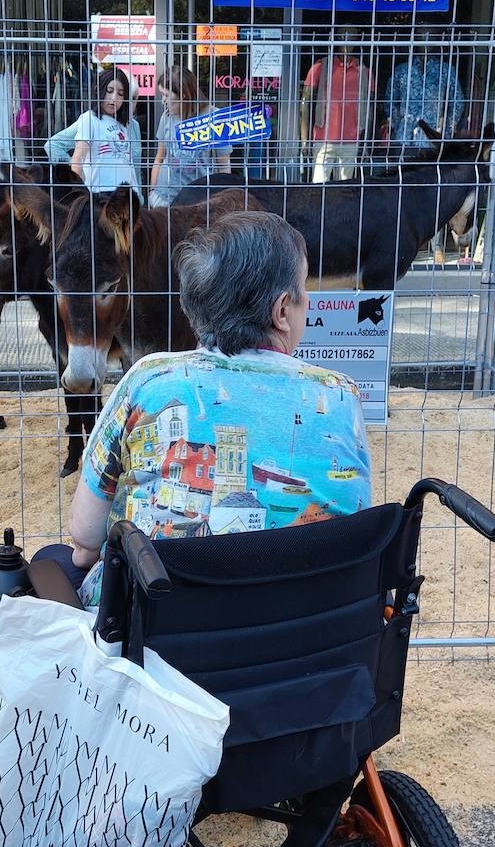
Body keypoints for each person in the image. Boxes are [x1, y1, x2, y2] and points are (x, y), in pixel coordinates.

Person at [32, 211, 373, 606]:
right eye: (303, 287)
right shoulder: (341, 395)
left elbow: (85, 536)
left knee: (52, 561)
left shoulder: (148, 380)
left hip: (160, 644)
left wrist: (89, 554)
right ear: (282, 311)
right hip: (303, 633)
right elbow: (353, 521)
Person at [149, 65, 232, 207]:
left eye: (166, 95)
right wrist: (152, 191)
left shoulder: (215, 118)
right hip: (164, 197)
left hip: (199, 200)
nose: (162, 100)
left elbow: (224, 165)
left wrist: (222, 200)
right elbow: (159, 157)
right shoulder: (166, 117)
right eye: (162, 94)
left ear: (183, 95)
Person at [300, 26, 373, 182]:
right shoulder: (321, 67)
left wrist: (366, 142)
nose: (346, 40)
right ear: (335, 38)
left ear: (357, 40)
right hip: (323, 140)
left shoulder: (364, 72)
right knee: (319, 188)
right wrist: (304, 140)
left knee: (345, 191)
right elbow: (304, 102)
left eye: (351, 36)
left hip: (351, 141)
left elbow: (370, 108)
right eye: (342, 36)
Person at [68, 67, 140, 195]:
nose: (114, 98)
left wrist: (137, 191)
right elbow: (77, 159)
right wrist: (81, 194)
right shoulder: (90, 119)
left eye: (120, 93)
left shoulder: (123, 124)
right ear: (99, 90)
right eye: (109, 91)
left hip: (127, 194)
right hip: (101, 193)